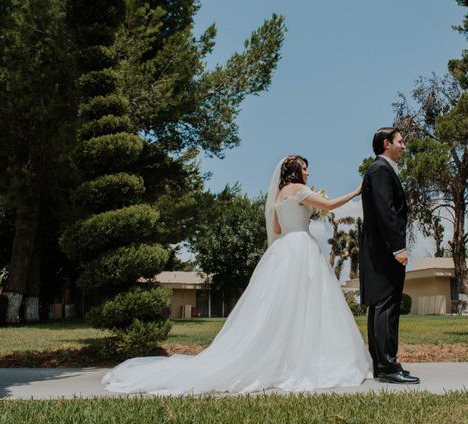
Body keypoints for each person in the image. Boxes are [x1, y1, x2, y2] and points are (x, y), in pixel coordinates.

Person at [102, 155, 372, 395]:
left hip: (283, 250)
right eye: (305, 168)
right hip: (302, 247)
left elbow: (277, 228)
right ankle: (303, 360)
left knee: (279, 307)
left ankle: (281, 357)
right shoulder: (301, 189)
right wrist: (358, 190)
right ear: (296, 171)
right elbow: (330, 204)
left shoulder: (278, 196)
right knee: (309, 305)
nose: (308, 173)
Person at [359, 127, 420, 384]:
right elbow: (387, 211)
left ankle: (383, 363)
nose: (403, 146)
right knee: (386, 303)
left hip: (378, 248)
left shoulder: (377, 169)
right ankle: (386, 366)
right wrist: (398, 247)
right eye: (400, 141)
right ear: (387, 144)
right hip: (385, 250)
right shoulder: (381, 170)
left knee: (380, 305)